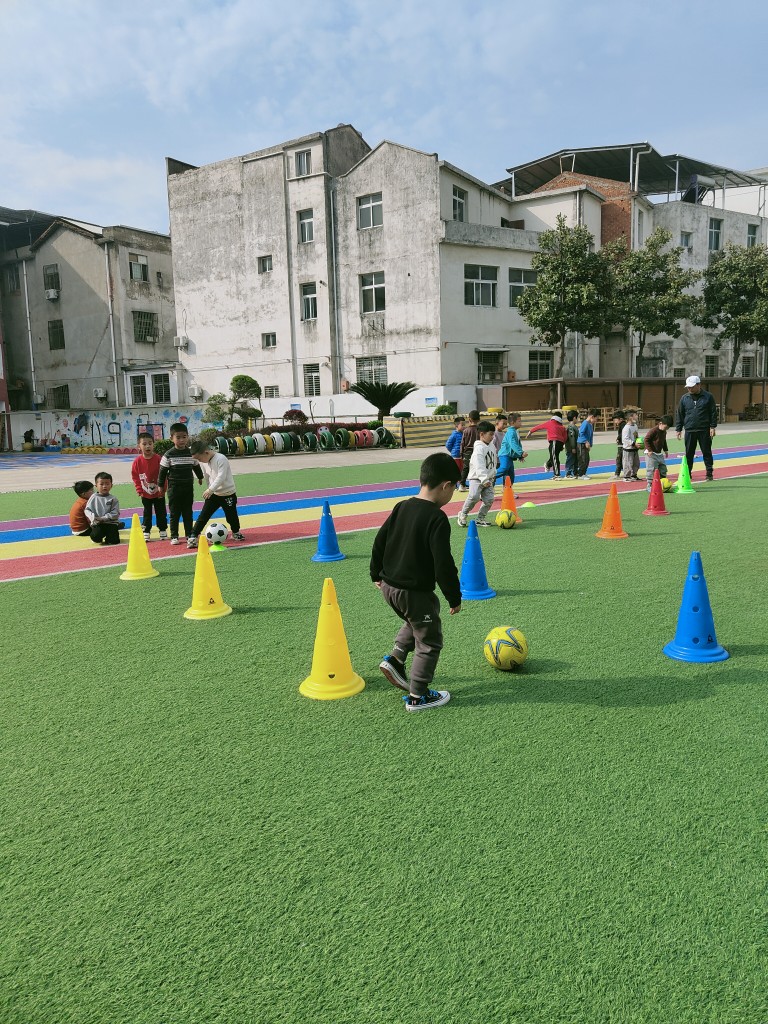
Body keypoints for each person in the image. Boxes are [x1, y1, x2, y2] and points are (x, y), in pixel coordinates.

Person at [371, 452, 461, 712]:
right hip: (412, 592)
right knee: (429, 640)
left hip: (389, 587)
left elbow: (380, 540)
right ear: (445, 485)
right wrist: (454, 596)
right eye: (454, 488)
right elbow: (443, 562)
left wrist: (375, 573)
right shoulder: (437, 518)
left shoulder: (402, 506)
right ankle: (418, 696)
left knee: (419, 618)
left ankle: (396, 659)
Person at [187, 440, 246, 547]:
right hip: (214, 494)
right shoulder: (204, 462)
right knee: (203, 515)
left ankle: (236, 532)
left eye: (199, 459)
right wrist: (209, 488)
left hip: (228, 494)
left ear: (206, 452)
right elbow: (207, 476)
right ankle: (193, 536)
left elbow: (221, 477)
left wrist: (210, 489)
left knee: (231, 516)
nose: (199, 461)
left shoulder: (221, 459)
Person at [157, 423, 204, 545]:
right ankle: (174, 536)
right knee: (174, 513)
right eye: (178, 437)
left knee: (188, 512)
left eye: (184, 437)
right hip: (174, 489)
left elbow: (196, 466)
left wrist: (200, 477)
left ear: (188, 436)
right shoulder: (168, 455)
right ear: (171, 438)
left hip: (188, 488)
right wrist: (160, 485)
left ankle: (189, 534)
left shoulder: (191, 453)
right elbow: (162, 471)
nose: (182, 440)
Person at [674, 375, 718, 481]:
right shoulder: (684, 398)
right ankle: (688, 473)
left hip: (704, 429)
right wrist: (678, 429)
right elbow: (680, 414)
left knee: (706, 452)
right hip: (689, 429)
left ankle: (709, 473)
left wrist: (712, 427)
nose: (689, 389)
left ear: (699, 385)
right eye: (688, 387)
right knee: (689, 453)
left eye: (692, 387)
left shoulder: (708, 396)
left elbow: (713, 412)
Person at [457, 420, 498, 527]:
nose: (492, 437)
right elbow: (479, 464)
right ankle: (463, 514)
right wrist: (484, 479)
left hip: (488, 479)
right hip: (477, 478)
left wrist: (493, 473)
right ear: (482, 434)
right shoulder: (479, 448)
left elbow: (492, 461)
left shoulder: (491, 446)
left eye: (493, 434)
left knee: (489, 499)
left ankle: (480, 518)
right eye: (490, 434)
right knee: (474, 497)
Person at [131, 432, 168, 541]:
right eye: (144, 444)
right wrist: (139, 489)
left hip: (159, 492)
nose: (148, 446)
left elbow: (164, 474)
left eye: (150, 443)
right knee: (147, 512)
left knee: (161, 512)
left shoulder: (158, 459)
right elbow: (135, 476)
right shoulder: (137, 462)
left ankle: (162, 529)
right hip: (145, 492)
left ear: (153, 444)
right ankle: (146, 530)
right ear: (139, 446)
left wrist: (163, 488)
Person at [85, 472, 123, 544]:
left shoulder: (113, 499)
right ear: (96, 485)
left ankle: (111, 536)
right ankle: (96, 536)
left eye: (107, 484)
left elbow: (115, 513)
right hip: (98, 523)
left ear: (111, 485)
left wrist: (103, 518)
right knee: (96, 537)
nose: (104, 486)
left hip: (111, 523)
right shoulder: (93, 497)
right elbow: (87, 510)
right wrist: (93, 517)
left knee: (114, 541)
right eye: (101, 484)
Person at [527, 411, 567, 479]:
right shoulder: (562, 426)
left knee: (554, 457)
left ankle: (549, 466)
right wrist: (562, 444)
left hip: (555, 442)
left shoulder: (551, 423)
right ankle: (557, 474)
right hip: (557, 442)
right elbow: (565, 436)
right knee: (555, 457)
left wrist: (530, 431)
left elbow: (539, 427)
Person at [644, 415, 673, 490]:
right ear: (660, 423)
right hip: (651, 454)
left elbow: (664, 441)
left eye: (668, 428)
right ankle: (650, 485)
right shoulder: (653, 430)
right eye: (666, 427)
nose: (666, 429)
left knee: (663, 468)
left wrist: (665, 450)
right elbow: (646, 439)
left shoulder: (664, 432)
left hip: (659, 453)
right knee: (652, 469)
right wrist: (649, 450)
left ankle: (662, 482)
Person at [496, 412, 526, 485]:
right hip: (504, 454)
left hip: (509, 456)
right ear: (512, 422)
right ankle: (489, 476)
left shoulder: (515, 431)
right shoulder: (511, 432)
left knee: (510, 474)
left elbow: (518, 444)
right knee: (504, 468)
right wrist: (521, 452)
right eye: (519, 421)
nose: (521, 423)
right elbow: (513, 444)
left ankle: (507, 489)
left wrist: (520, 456)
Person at [458, 410, 480, 490]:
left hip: (468, 452)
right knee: (478, 468)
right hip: (478, 451)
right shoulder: (480, 430)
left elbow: (462, 443)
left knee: (466, 468)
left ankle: (462, 485)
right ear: (479, 419)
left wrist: (461, 453)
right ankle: (478, 484)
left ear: (469, 419)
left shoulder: (466, 430)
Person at [577, 409, 598, 478]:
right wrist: (586, 442)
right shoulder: (585, 423)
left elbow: (590, 436)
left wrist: (590, 445)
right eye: (596, 418)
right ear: (592, 417)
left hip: (586, 444)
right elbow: (581, 433)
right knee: (583, 459)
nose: (596, 421)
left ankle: (584, 473)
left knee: (587, 459)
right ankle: (580, 474)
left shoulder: (590, 425)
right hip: (582, 444)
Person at [621, 411, 640, 481]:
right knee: (628, 463)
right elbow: (625, 439)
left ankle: (634, 475)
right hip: (628, 449)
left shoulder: (635, 426)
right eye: (635, 415)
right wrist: (633, 443)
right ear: (630, 417)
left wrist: (639, 442)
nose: (637, 416)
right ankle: (626, 476)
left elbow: (636, 435)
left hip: (635, 448)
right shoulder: (626, 428)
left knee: (636, 463)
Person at [564, 410, 580, 479]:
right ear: (574, 418)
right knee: (570, 459)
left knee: (575, 460)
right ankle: (568, 473)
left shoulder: (573, 426)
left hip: (575, 447)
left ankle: (575, 472)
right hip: (571, 448)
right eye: (577, 418)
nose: (577, 419)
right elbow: (571, 437)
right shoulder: (571, 427)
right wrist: (573, 447)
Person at [612, 410, 627, 480]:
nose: (615, 422)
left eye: (615, 420)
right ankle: (625, 472)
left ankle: (617, 474)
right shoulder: (623, 424)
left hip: (622, 445)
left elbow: (622, 433)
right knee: (622, 459)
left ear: (620, 419)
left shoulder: (623, 425)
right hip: (622, 445)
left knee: (619, 459)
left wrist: (618, 438)